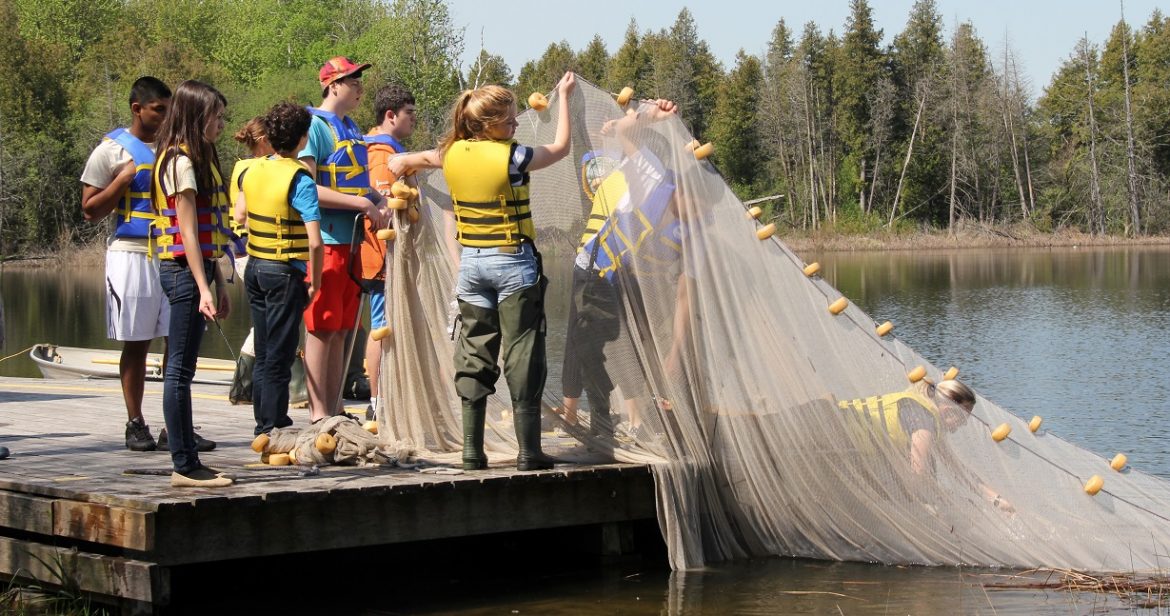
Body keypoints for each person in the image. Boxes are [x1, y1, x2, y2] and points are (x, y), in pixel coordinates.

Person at [390, 72, 576, 471]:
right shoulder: (514, 156)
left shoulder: (453, 152)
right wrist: (564, 99)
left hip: (472, 265)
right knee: (523, 351)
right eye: (508, 120)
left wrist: (402, 159)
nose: (515, 125)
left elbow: (427, 157)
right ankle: (529, 453)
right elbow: (560, 148)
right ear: (486, 124)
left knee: (473, 352)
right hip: (512, 263)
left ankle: (472, 452)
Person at [80, 77, 217, 453]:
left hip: (170, 253)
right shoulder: (110, 151)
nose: (164, 115)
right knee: (137, 341)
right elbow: (89, 210)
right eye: (158, 109)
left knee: (179, 340)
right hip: (131, 252)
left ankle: (176, 428)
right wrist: (123, 179)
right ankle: (135, 422)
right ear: (136, 108)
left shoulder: (176, 149)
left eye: (168, 108)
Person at [150, 80, 236, 488]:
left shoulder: (200, 158)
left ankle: (189, 460)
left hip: (196, 272)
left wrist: (219, 283)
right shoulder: (179, 162)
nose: (220, 123)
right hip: (182, 274)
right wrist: (203, 287)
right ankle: (184, 465)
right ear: (197, 116)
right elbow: (186, 234)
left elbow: (207, 236)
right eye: (216, 116)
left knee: (184, 369)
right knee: (179, 372)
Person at [298, 56, 388, 423]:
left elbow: (356, 180)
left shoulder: (351, 127)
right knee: (321, 326)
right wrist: (362, 204)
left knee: (342, 327)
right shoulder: (315, 127)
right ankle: (319, 412)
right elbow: (307, 187)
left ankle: (335, 407)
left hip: (351, 242)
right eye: (353, 80)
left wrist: (379, 200)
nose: (360, 87)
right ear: (333, 85)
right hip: (325, 240)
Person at [240, 102, 323, 436]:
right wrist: (314, 282)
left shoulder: (252, 169)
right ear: (303, 139)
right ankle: (273, 424)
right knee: (281, 352)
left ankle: (264, 423)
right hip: (284, 270)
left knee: (263, 349)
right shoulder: (299, 179)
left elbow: (242, 213)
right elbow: (315, 242)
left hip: (255, 267)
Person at [838, 378, 1013, 511]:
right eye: (962, 417)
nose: (964, 424)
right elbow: (917, 474)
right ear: (947, 409)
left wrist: (997, 500)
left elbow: (958, 470)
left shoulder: (928, 416)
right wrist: (941, 503)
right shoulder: (924, 424)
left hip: (841, 439)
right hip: (831, 433)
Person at [361, 82, 416, 421]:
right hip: (382, 257)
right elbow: (385, 208)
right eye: (409, 114)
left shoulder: (376, 148)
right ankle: (377, 402)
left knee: (387, 326)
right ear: (390, 115)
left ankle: (386, 397)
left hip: (384, 257)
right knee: (381, 328)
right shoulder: (383, 156)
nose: (414, 120)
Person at [227, 116, 274, 404]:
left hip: (243, 250)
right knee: (267, 319)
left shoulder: (244, 166)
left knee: (269, 318)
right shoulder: (257, 167)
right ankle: (243, 385)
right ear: (264, 141)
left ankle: (246, 387)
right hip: (250, 249)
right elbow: (244, 214)